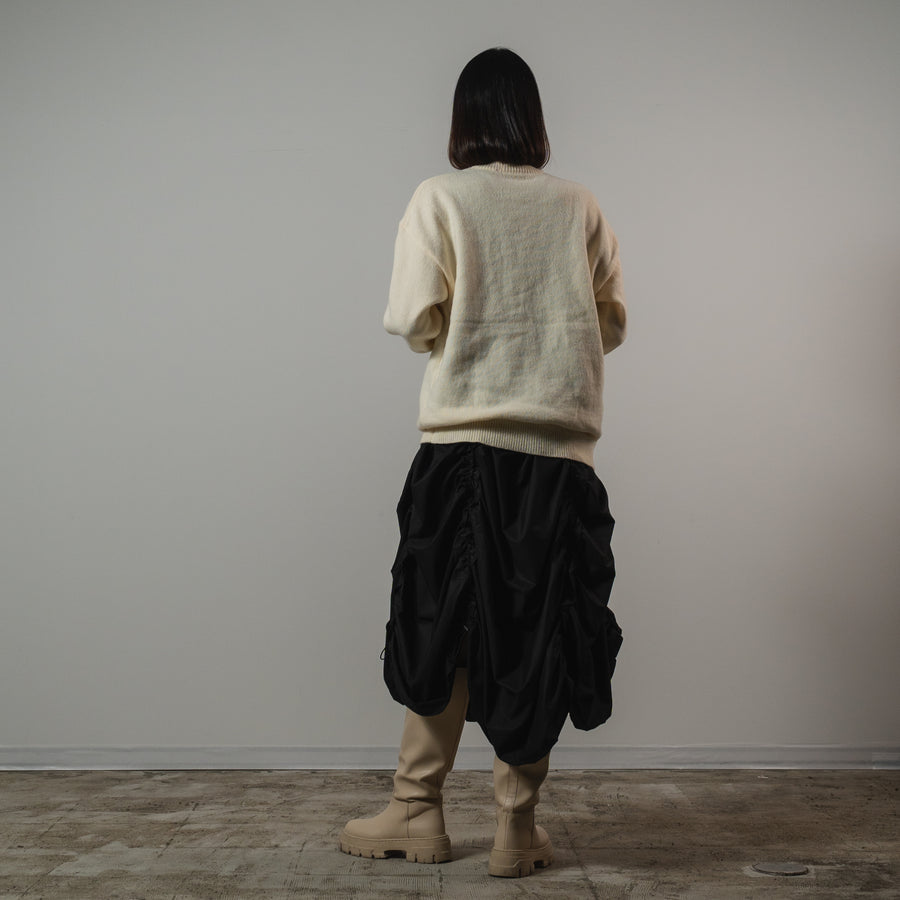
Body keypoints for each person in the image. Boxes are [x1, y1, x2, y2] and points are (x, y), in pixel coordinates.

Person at [339, 47, 626, 879]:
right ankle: (515, 828)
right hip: (559, 456)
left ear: (462, 119)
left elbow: (412, 317)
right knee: (537, 630)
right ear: (533, 118)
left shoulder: (440, 198)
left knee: (442, 624)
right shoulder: (579, 206)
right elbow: (609, 322)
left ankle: (417, 810)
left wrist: (463, 334)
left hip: (461, 449)